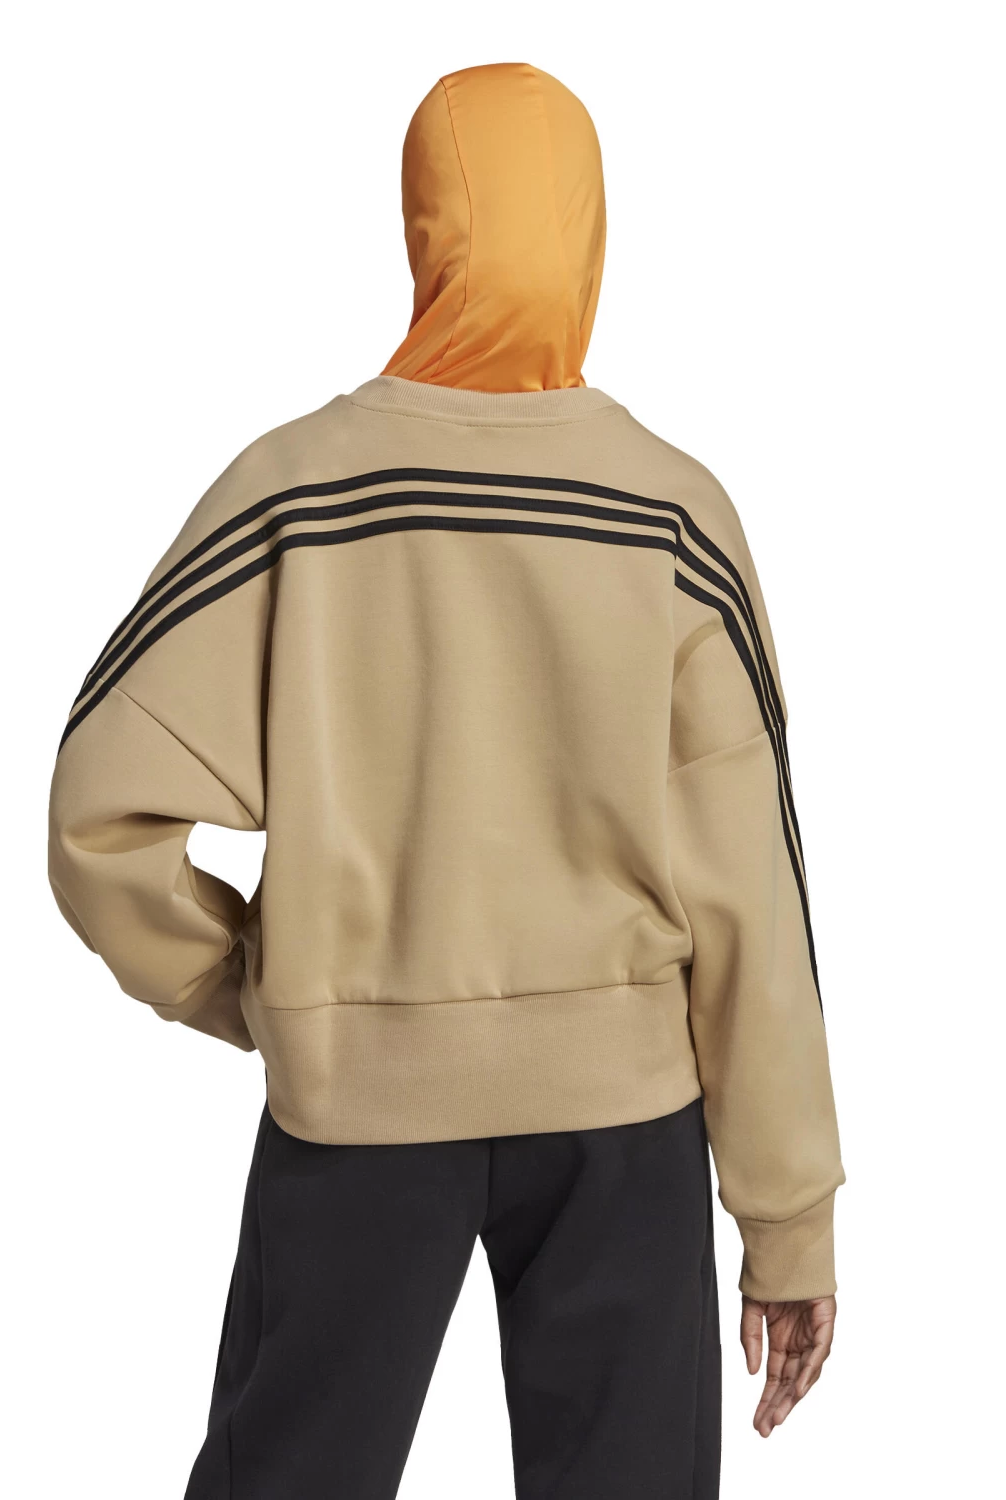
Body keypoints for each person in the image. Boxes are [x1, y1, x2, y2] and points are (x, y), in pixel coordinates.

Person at [48, 61, 843, 1500]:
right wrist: (787, 1222)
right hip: (622, 1122)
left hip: (355, 1110)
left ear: (421, 229)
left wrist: (263, 989)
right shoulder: (674, 516)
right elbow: (753, 902)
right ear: (590, 235)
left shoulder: (293, 494)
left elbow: (99, 815)